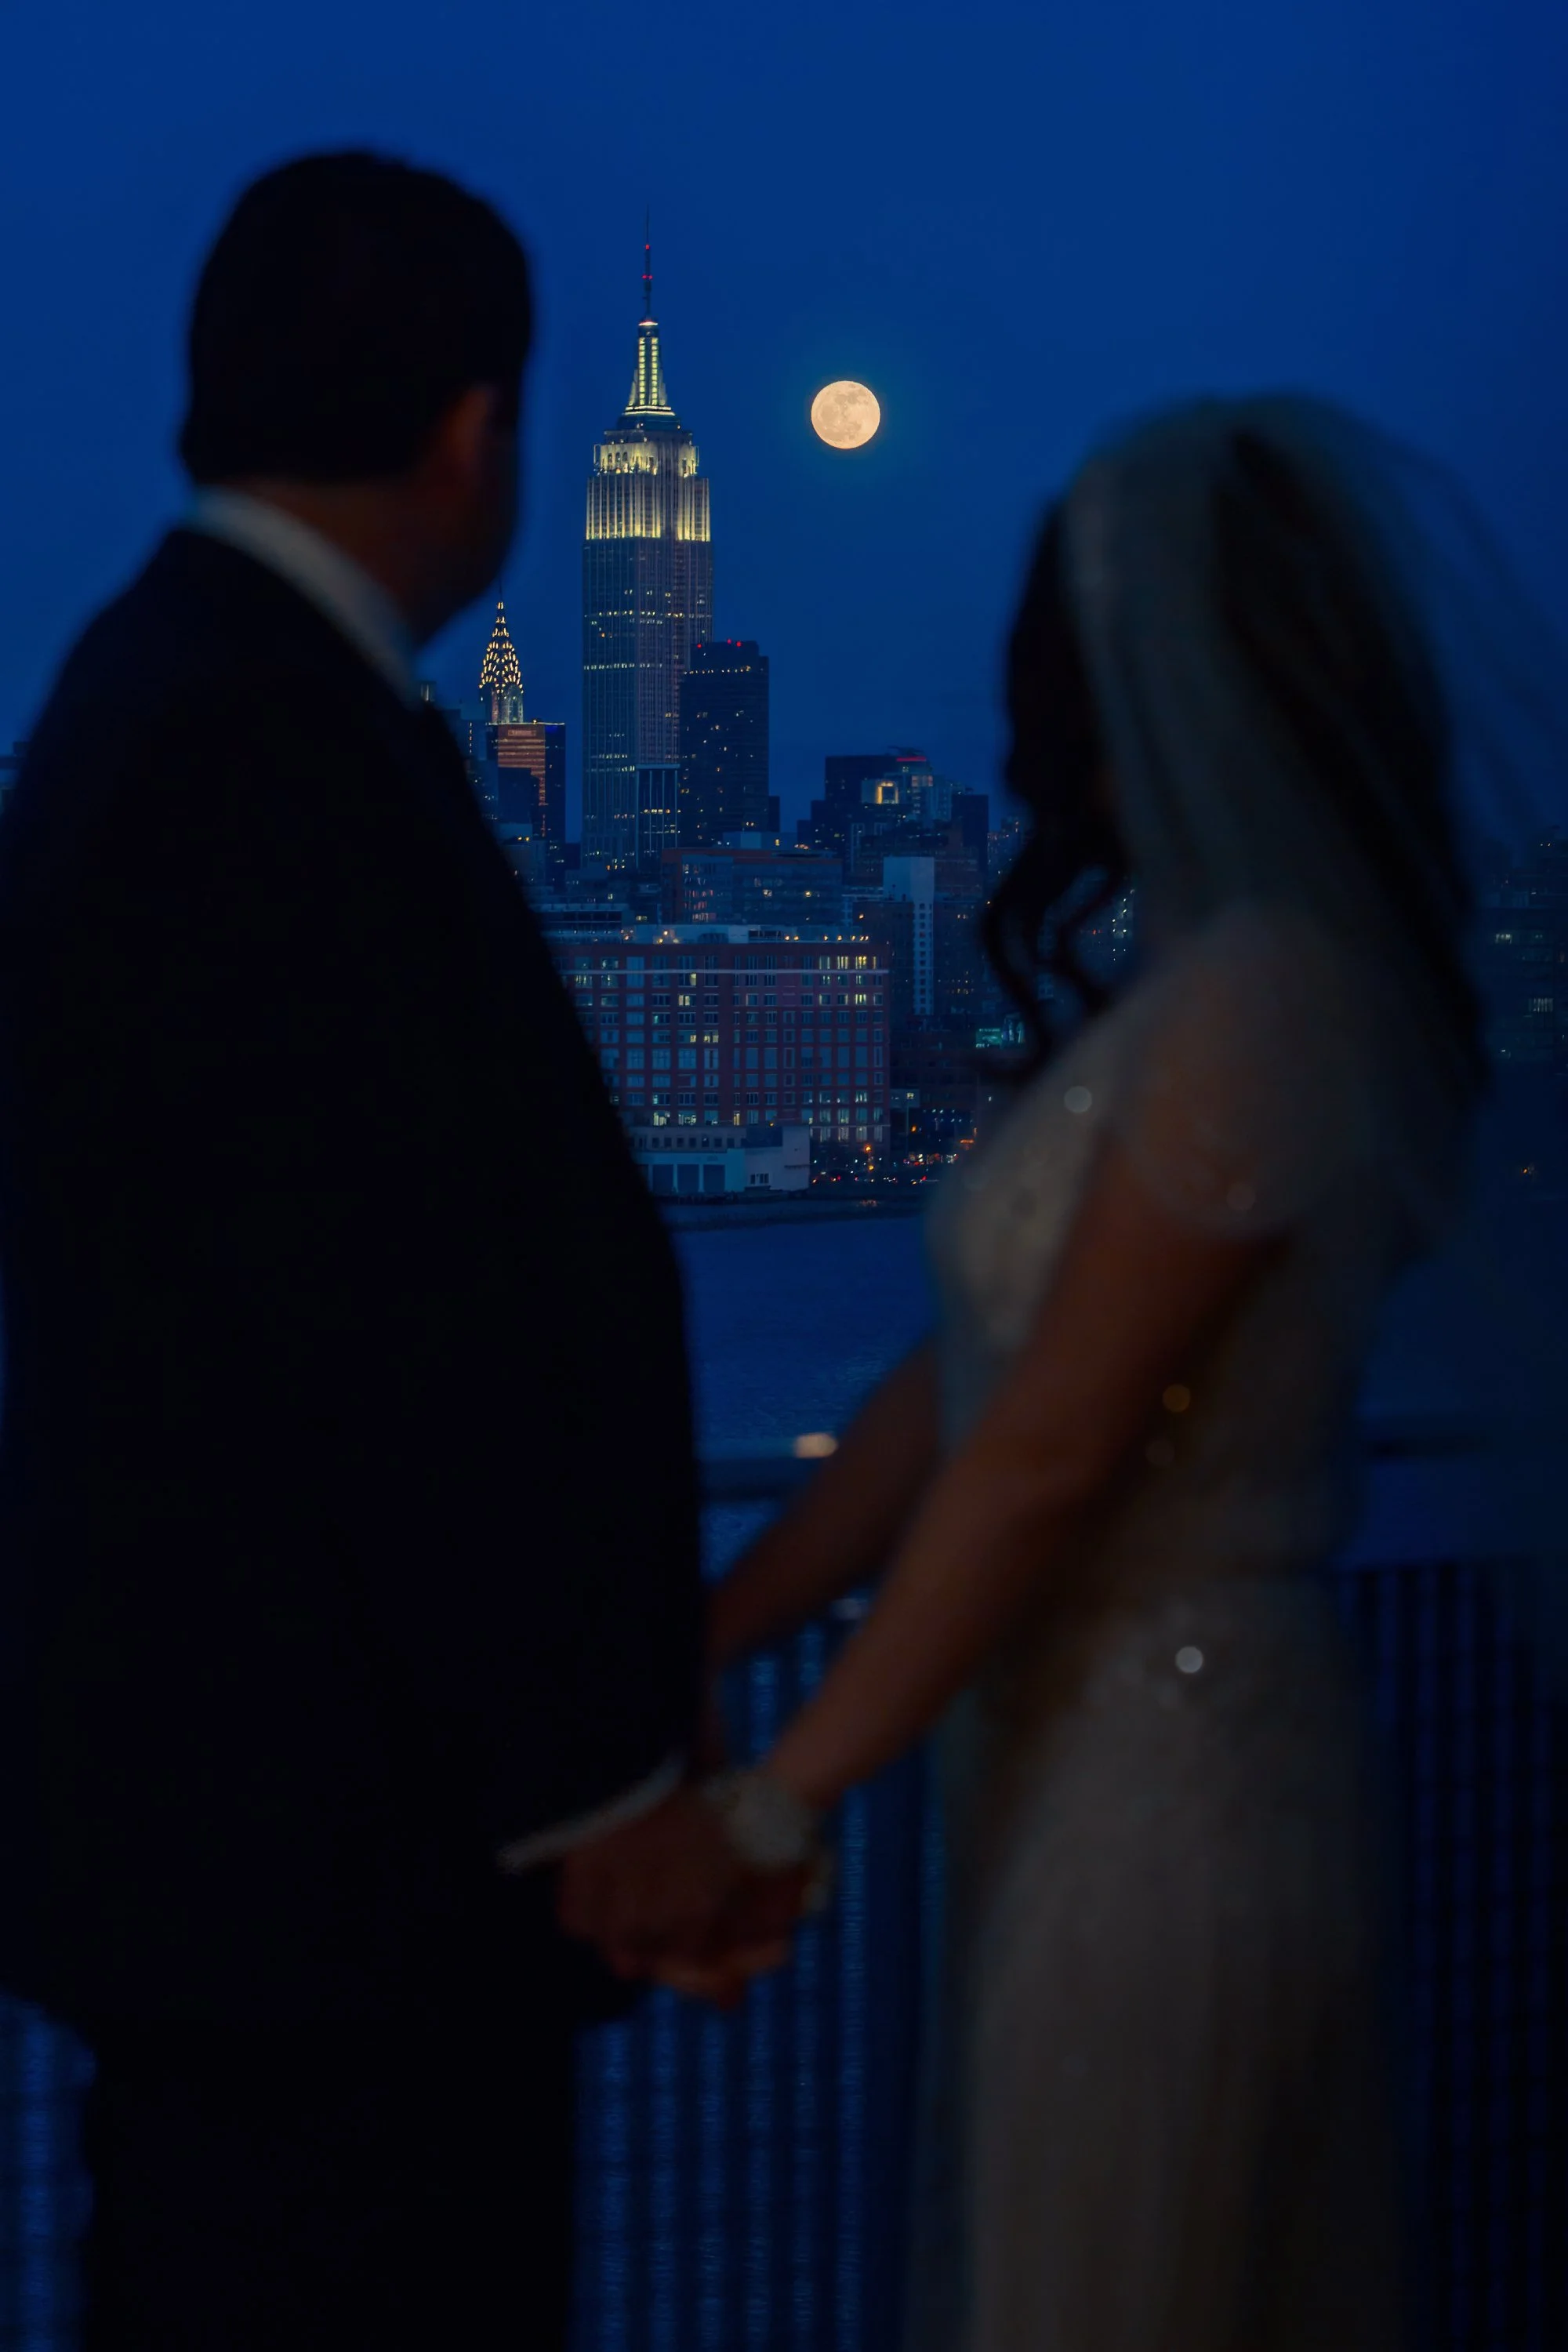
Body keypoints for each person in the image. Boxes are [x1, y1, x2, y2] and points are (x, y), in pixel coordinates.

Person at [563, 397, 1501, 2343]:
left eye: (1033, 655)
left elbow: (1048, 1448)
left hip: (1172, 1780)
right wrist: (713, 1638)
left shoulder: (1259, 1003)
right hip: (1079, 1767)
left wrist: (774, 1804)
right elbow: (956, 1393)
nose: (999, 700)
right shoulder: (1206, 988)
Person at [0, 152, 722, 2350]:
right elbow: (383, 1335)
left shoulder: (164, 703)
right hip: (340, 1904)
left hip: (267, 1878)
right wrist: (599, 1780)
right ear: (477, 431)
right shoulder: (256, 748)